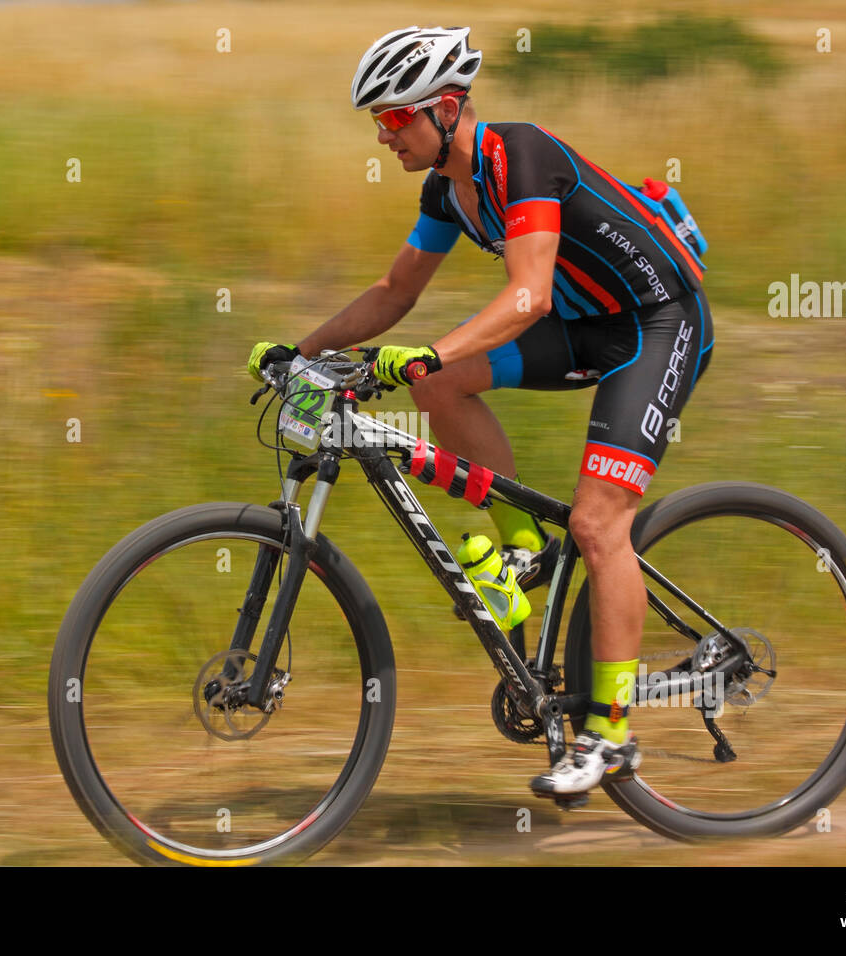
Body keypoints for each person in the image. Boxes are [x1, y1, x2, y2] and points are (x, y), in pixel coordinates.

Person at [248, 25, 715, 799]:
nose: (383, 136)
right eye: (378, 121)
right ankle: (524, 547)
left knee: (601, 526)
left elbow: (527, 295)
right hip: (585, 325)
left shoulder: (523, 156)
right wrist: (298, 353)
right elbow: (394, 294)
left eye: (395, 119)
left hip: (657, 325)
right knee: (438, 388)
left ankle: (612, 737)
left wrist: (426, 351)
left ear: (447, 108)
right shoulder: (446, 191)